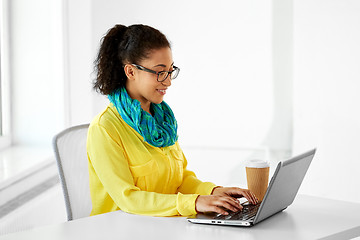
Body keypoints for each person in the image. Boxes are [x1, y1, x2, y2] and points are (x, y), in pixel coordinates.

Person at [87, 24, 258, 217]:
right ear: (131, 72)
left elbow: (179, 180)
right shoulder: (104, 128)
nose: (168, 81)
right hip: (119, 230)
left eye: (170, 71)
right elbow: (128, 198)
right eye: (160, 72)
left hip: (162, 227)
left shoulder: (162, 120)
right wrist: (194, 202)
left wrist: (213, 191)